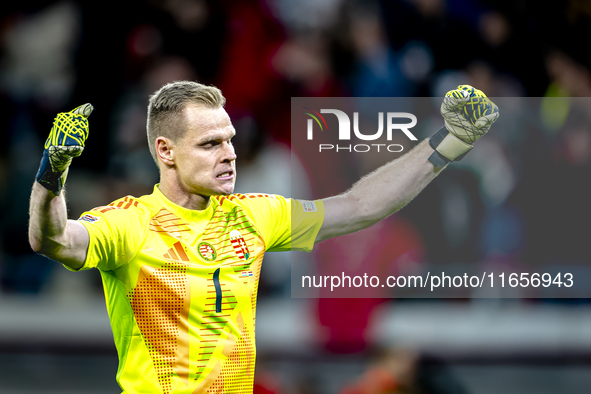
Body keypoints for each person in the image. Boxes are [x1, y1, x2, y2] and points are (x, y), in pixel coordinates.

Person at [28, 81, 498, 394]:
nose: (229, 154)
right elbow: (52, 240)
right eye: (211, 144)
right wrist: (53, 173)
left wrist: (448, 143)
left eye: (230, 139)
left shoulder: (256, 214)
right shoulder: (128, 222)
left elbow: (360, 206)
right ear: (165, 151)